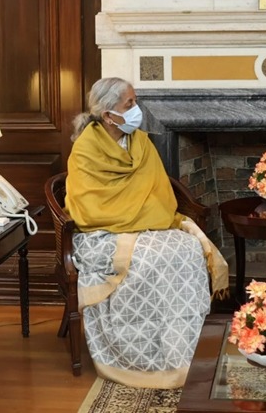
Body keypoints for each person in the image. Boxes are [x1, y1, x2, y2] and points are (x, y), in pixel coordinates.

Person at [65, 77, 228, 388]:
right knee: (151, 260)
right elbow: (89, 207)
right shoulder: (86, 149)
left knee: (187, 250)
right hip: (102, 235)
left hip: (147, 225)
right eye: (130, 104)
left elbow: (158, 194)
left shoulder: (140, 142)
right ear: (108, 114)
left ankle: (187, 351)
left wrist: (143, 218)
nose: (136, 109)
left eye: (135, 101)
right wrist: (137, 220)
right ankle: (141, 357)